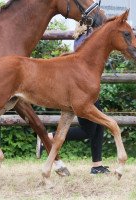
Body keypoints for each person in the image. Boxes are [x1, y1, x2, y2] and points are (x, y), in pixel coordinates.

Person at [36, 23, 110, 175]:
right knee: (88, 130)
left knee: (99, 126)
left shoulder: (83, 37)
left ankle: (97, 165)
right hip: (82, 88)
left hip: (85, 86)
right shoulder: (87, 39)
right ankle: (48, 137)